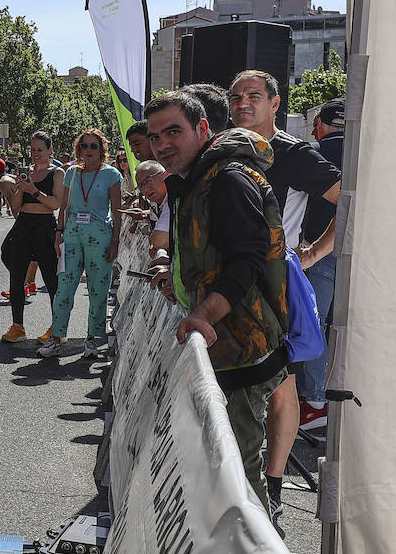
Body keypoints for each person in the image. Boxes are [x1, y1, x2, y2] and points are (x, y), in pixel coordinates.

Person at [144, 90, 288, 509]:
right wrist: (182, 286)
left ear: (203, 128)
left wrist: (204, 312)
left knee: (238, 472)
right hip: (224, 344)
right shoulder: (193, 179)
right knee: (220, 466)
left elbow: (247, 260)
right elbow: (210, 255)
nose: (163, 143)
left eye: (174, 131)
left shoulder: (228, 178)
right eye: (155, 137)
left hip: (246, 348)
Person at [227, 69, 342, 525]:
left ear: (276, 103)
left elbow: (348, 200)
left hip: (273, 288)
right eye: (236, 96)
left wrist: (313, 253)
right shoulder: (224, 148)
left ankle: (271, 488)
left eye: (254, 95)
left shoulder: (293, 154)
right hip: (224, 287)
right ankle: (237, 479)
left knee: (281, 385)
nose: (242, 103)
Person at [37, 128, 123, 358]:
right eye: (84, 146)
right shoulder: (71, 172)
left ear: (101, 149)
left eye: (93, 146)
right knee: (64, 288)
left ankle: (92, 340)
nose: (88, 150)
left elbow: (116, 211)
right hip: (72, 235)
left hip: (101, 237)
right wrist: (58, 234)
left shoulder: (112, 174)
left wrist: (116, 241)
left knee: (98, 290)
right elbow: (63, 207)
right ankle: (57, 338)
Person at [297, 98, 346, 432]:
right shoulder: (369, 148)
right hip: (360, 253)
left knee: (313, 325)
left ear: (321, 123)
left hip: (318, 248)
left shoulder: (312, 152)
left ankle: (315, 401)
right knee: (343, 328)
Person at [0, 131, 64, 343]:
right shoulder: (27, 173)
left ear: (50, 150)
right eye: (33, 149)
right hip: (23, 225)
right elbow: (16, 207)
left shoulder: (57, 173)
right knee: (16, 277)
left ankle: (57, 327)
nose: (35, 154)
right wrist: (18, 189)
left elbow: (55, 204)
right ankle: (18, 326)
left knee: (51, 279)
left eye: (40, 150)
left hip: (44, 227)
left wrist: (33, 190)